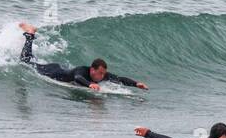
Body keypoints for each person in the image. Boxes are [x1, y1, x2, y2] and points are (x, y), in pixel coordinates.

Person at [17, 22, 148, 91]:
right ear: (92, 69)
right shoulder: (82, 71)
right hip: (52, 72)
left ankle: (30, 33)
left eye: (103, 74)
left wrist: (136, 84)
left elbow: (119, 79)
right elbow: (78, 78)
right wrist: (90, 85)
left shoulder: (102, 74)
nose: (102, 76)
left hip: (60, 68)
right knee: (25, 61)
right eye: (100, 73)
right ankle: (30, 34)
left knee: (30, 60)